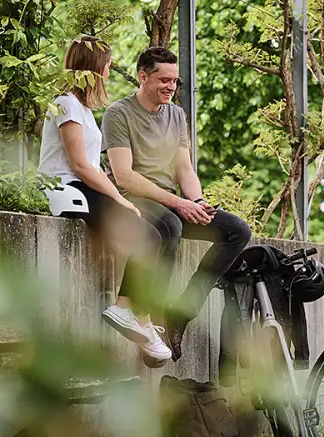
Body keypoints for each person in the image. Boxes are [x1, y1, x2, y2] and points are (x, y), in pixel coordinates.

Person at [102, 47, 252, 361]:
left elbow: (184, 168)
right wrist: (179, 204)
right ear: (143, 77)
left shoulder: (176, 114)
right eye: (164, 80)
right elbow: (124, 177)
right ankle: (149, 317)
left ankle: (181, 313)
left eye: (175, 81)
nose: (171, 86)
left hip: (172, 201)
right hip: (134, 201)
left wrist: (197, 201)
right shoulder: (119, 113)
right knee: (169, 225)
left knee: (236, 231)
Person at [38, 36, 172, 364]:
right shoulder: (66, 103)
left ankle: (139, 318)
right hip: (69, 191)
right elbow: (80, 165)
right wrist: (119, 198)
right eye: (107, 66)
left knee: (160, 231)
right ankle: (124, 308)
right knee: (148, 235)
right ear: (93, 67)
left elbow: (91, 164)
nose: (110, 72)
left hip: (86, 188)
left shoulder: (81, 107)